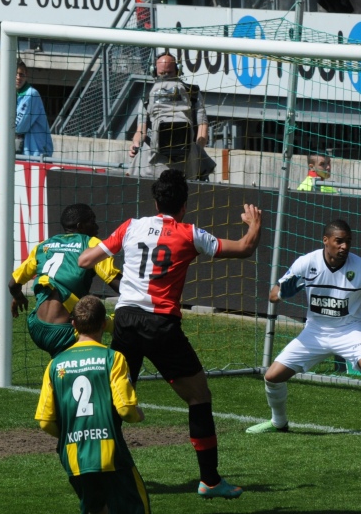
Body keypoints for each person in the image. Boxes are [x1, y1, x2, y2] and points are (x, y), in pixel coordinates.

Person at [78, 169, 263, 499]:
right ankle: (209, 480)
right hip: (160, 325)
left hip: (126, 319)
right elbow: (245, 249)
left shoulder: (131, 226)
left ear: (155, 200)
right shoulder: (190, 233)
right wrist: (255, 225)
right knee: (198, 397)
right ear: (185, 204)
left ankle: (99, 475)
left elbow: (86, 259)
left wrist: (109, 252)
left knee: (113, 400)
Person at [245, 219, 361, 442]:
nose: (344, 247)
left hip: (350, 331)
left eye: (348, 242)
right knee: (272, 376)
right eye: (339, 241)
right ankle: (278, 422)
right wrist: (282, 294)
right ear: (326, 241)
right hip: (315, 333)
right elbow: (273, 294)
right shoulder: (306, 262)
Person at [35, 295, 150, 514]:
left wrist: (71, 434)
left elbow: (44, 422)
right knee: (137, 507)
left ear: (73, 325)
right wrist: (137, 415)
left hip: (74, 455)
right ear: (104, 324)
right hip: (110, 454)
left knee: (96, 510)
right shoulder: (113, 358)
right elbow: (125, 409)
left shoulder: (55, 365)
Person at [10, 203, 122, 358]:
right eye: (92, 221)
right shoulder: (90, 244)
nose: (97, 227)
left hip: (36, 327)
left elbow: (13, 284)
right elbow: (116, 283)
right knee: (112, 321)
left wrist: (18, 297)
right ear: (80, 226)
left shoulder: (44, 246)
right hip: (65, 331)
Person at [128, 53, 215, 181]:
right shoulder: (147, 96)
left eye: (169, 73)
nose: (166, 77)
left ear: (178, 71)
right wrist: (135, 144)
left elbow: (203, 125)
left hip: (179, 157)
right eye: (162, 73)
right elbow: (141, 130)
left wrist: (196, 148)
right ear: (155, 72)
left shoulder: (193, 94)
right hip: (163, 158)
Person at [14, 59, 53, 157]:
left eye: (21, 74)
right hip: (24, 155)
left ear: (26, 75)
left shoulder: (31, 94)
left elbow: (18, 127)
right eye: (15, 73)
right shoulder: (12, 94)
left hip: (37, 155)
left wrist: (1, 129)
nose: (18, 77)